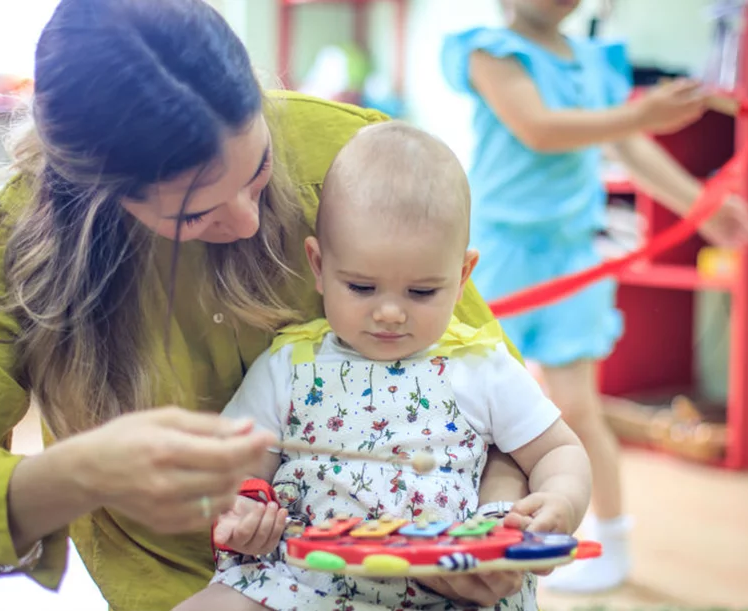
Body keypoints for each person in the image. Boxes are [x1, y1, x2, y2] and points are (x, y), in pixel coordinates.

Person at [0, 1, 536, 609]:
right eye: (193, 215)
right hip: (180, 585)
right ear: (98, 197)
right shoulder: (10, 237)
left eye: (259, 172)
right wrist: (79, 474)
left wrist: (487, 531)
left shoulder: (355, 159)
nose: (248, 222)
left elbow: (507, 417)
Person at [174, 121, 591, 611]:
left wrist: (560, 501)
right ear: (319, 266)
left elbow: (558, 449)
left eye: (421, 292)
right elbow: (235, 466)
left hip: (452, 586)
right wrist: (244, 508)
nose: (390, 312)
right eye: (362, 287)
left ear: (462, 276)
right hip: (302, 581)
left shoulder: (480, 365)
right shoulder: (289, 365)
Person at [441, 0, 748, 594]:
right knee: (480, 406)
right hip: (499, 259)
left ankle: (611, 543)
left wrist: (702, 205)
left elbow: (632, 149)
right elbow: (539, 128)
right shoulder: (489, 50)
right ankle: (469, 535)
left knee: (577, 410)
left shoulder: (594, 63)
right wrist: (640, 115)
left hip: (574, 258)